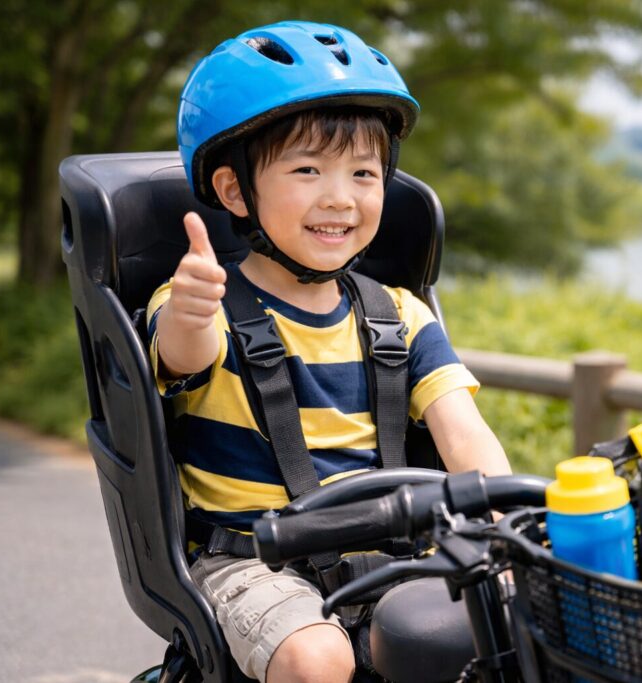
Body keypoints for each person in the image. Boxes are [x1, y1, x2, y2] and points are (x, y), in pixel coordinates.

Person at [148, 20, 511, 683]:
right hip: (253, 562)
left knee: (517, 621)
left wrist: (505, 524)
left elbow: (465, 435)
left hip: (396, 551)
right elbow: (182, 352)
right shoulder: (201, 302)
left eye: (363, 173)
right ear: (235, 191)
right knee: (318, 658)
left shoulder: (400, 314)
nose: (340, 197)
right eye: (308, 170)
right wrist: (191, 309)